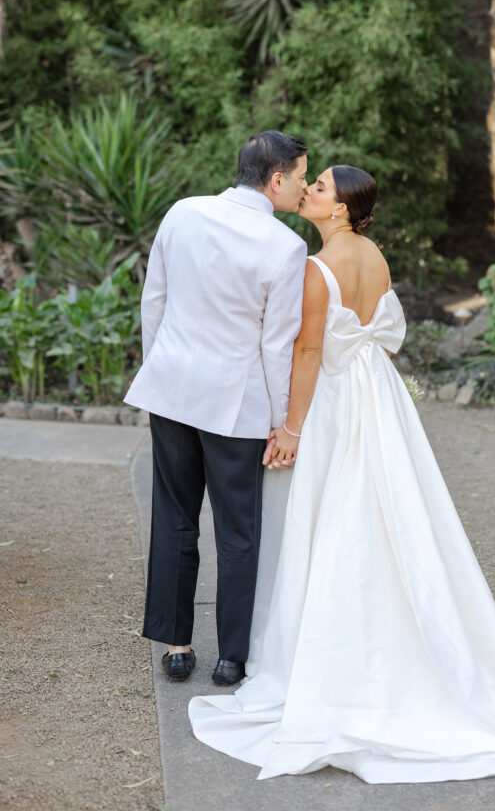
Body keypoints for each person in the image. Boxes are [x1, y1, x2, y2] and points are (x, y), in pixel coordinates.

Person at [187, 165, 495, 786]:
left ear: (343, 210)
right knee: (389, 508)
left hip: (332, 400)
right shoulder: (374, 256)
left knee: (333, 515)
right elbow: (377, 338)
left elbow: (306, 351)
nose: (310, 192)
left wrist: (291, 428)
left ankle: (332, 662)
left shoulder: (314, 268)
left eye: (321, 187)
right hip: (376, 399)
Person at [124, 131, 308, 686]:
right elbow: (276, 347)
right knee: (238, 531)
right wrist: (282, 420)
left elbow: (152, 300)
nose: (303, 187)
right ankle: (232, 657)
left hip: (172, 388)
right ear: (275, 180)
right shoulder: (285, 246)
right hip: (236, 403)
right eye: (301, 177)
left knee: (175, 516)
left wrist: (160, 367)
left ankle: (177, 646)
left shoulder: (183, 213)